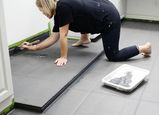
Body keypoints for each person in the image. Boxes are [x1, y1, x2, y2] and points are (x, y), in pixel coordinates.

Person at [22, 0, 152, 66]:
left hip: (109, 19)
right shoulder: (61, 9)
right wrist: (34, 47)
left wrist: (63, 57)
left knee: (113, 56)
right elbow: (53, 37)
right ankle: (85, 38)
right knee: (77, 18)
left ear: (45, 6)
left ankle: (144, 48)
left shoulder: (62, 8)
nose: (42, 13)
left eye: (41, 10)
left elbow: (63, 36)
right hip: (102, 8)